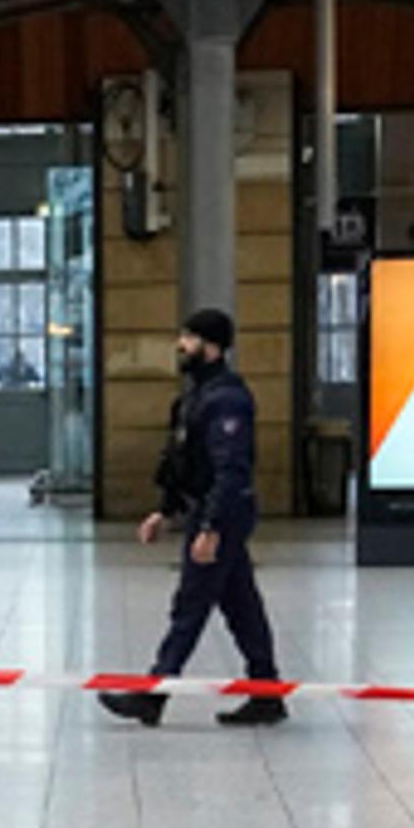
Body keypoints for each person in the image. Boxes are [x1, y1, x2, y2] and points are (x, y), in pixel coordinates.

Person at [101, 306, 287, 727]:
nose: (179, 345)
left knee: (191, 603)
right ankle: (267, 690)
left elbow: (231, 470)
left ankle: (155, 692)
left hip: (222, 514)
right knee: (241, 606)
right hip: (210, 510)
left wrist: (211, 528)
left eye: (188, 338)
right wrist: (165, 512)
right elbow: (183, 462)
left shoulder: (228, 400)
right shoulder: (194, 398)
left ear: (211, 346)